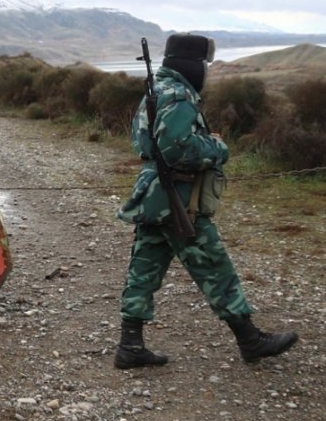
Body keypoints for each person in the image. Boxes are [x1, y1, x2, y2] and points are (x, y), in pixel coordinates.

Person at [114, 33, 298, 369]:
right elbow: (177, 150)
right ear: (192, 65)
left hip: (154, 195)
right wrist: (217, 147)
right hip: (180, 198)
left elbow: (146, 143)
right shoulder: (180, 96)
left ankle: (130, 345)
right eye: (204, 65)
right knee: (215, 266)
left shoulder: (156, 91)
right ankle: (250, 340)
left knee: (144, 268)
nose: (206, 72)